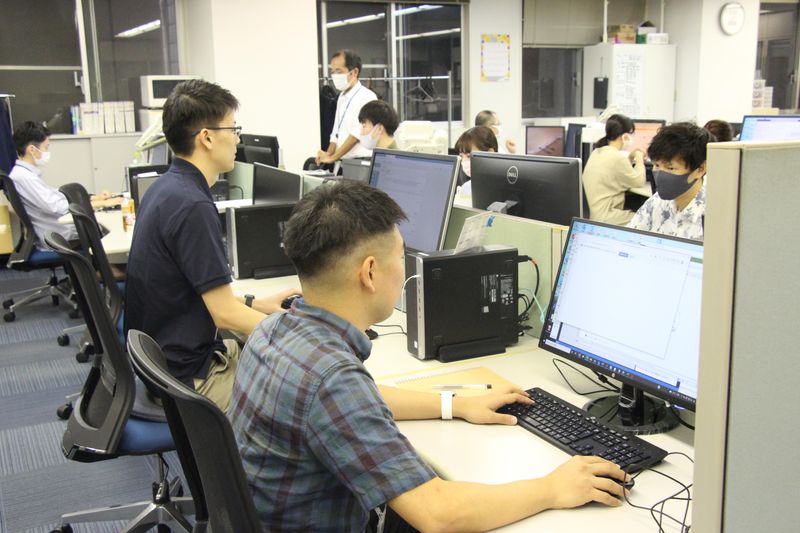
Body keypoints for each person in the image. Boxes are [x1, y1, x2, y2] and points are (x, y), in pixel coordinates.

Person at [230, 180, 629, 533]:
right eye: (401, 254)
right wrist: (552, 488)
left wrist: (454, 404)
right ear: (370, 273)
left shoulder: (274, 329)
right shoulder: (332, 378)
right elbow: (437, 514)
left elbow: (358, 402)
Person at [124, 79, 297, 412]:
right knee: (304, 399)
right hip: (188, 380)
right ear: (206, 137)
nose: (238, 139)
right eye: (233, 129)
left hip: (164, 363)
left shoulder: (166, 188)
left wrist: (256, 303)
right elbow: (223, 314)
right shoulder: (193, 206)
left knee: (271, 355)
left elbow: (189, 295)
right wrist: (300, 337)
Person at [9, 121, 120, 247]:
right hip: (58, 236)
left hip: (56, 231)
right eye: (46, 148)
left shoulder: (25, 174)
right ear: (32, 150)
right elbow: (58, 207)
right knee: (104, 232)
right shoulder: (24, 177)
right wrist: (102, 204)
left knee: (99, 227)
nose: (47, 152)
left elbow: (56, 195)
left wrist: (94, 198)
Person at [628, 122, 711, 241]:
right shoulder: (656, 202)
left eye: (670, 168)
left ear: (700, 169)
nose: (661, 175)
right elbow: (630, 238)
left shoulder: (712, 216)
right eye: (657, 165)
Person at [582, 114, 646, 225]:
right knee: (646, 219)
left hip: (595, 215)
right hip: (608, 217)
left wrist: (630, 158)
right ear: (625, 136)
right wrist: (639, 157)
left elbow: (618, 173)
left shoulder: (597, 152)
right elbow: (639, 181)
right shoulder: (616, 157)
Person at [316, 49, 378, 166]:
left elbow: (355, 135)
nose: (335, 76)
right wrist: (327, 156)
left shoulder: (367, 96)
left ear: (354, 72)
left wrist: (332, 158)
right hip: (343, 162)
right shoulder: (341, 97)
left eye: (339, 71)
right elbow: (335, 133)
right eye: (332, 72)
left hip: (361, 162)